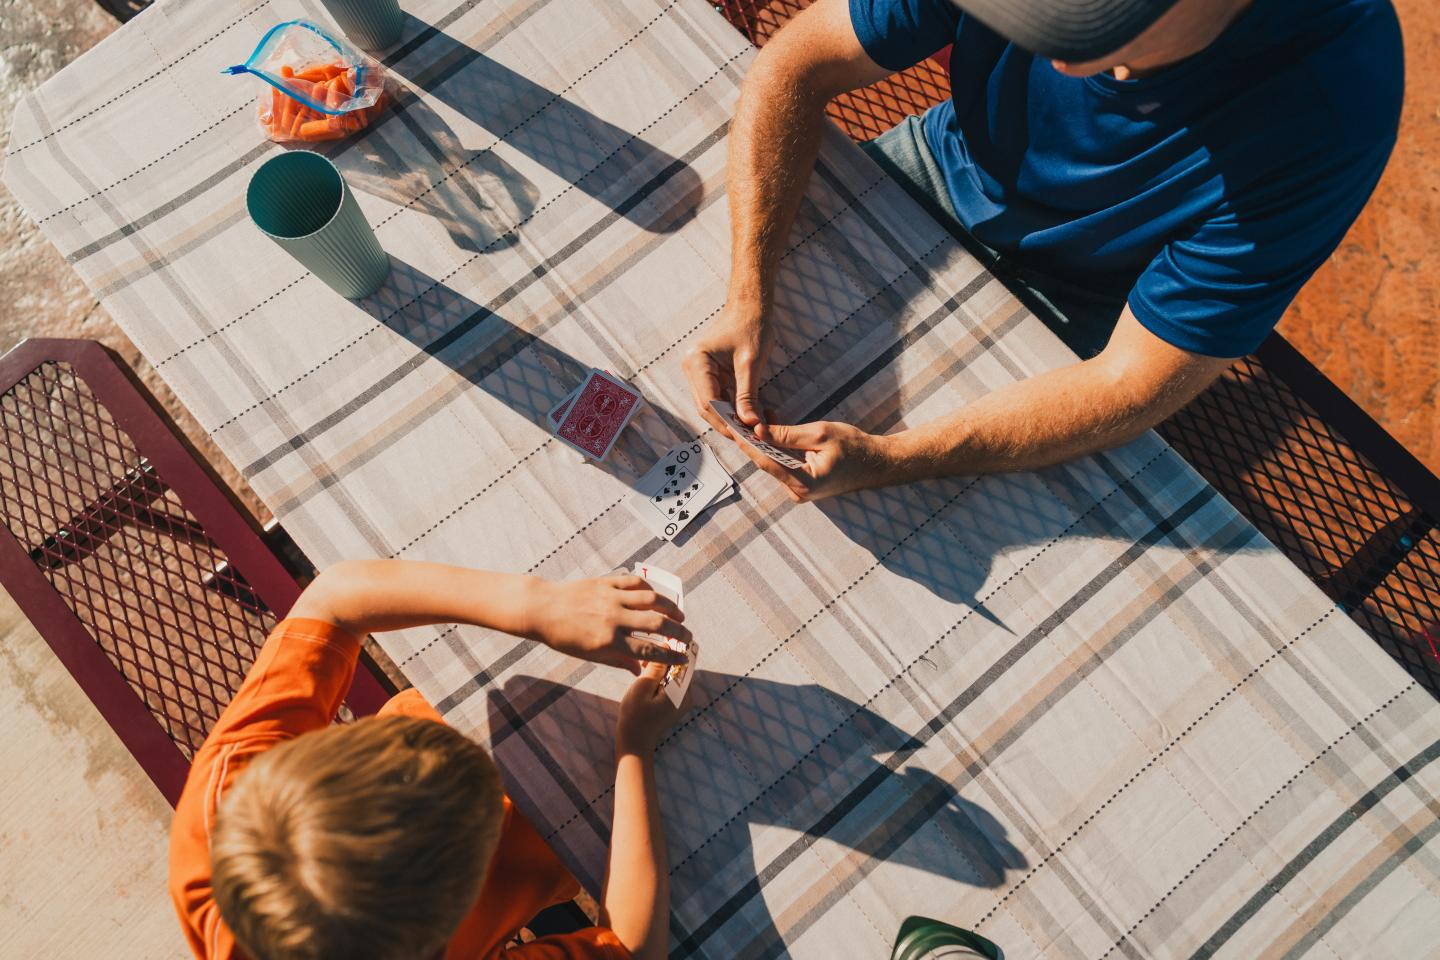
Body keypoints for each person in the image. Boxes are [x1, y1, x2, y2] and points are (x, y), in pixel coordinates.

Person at [684, 0, 1403, 501]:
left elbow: (1133, 380)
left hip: (1086, 306)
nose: (1051, 54)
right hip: (935, 164)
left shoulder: (1335, 104)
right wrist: (747, 289)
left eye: (1084, 25)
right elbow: (797, 65)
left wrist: (895, 459)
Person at [168, 559, 693, 960]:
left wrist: (535, 605)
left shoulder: (223, 809)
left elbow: (330, 599)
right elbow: (631, 948)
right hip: (582, 817)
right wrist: (633, 750)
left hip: (482, 692)